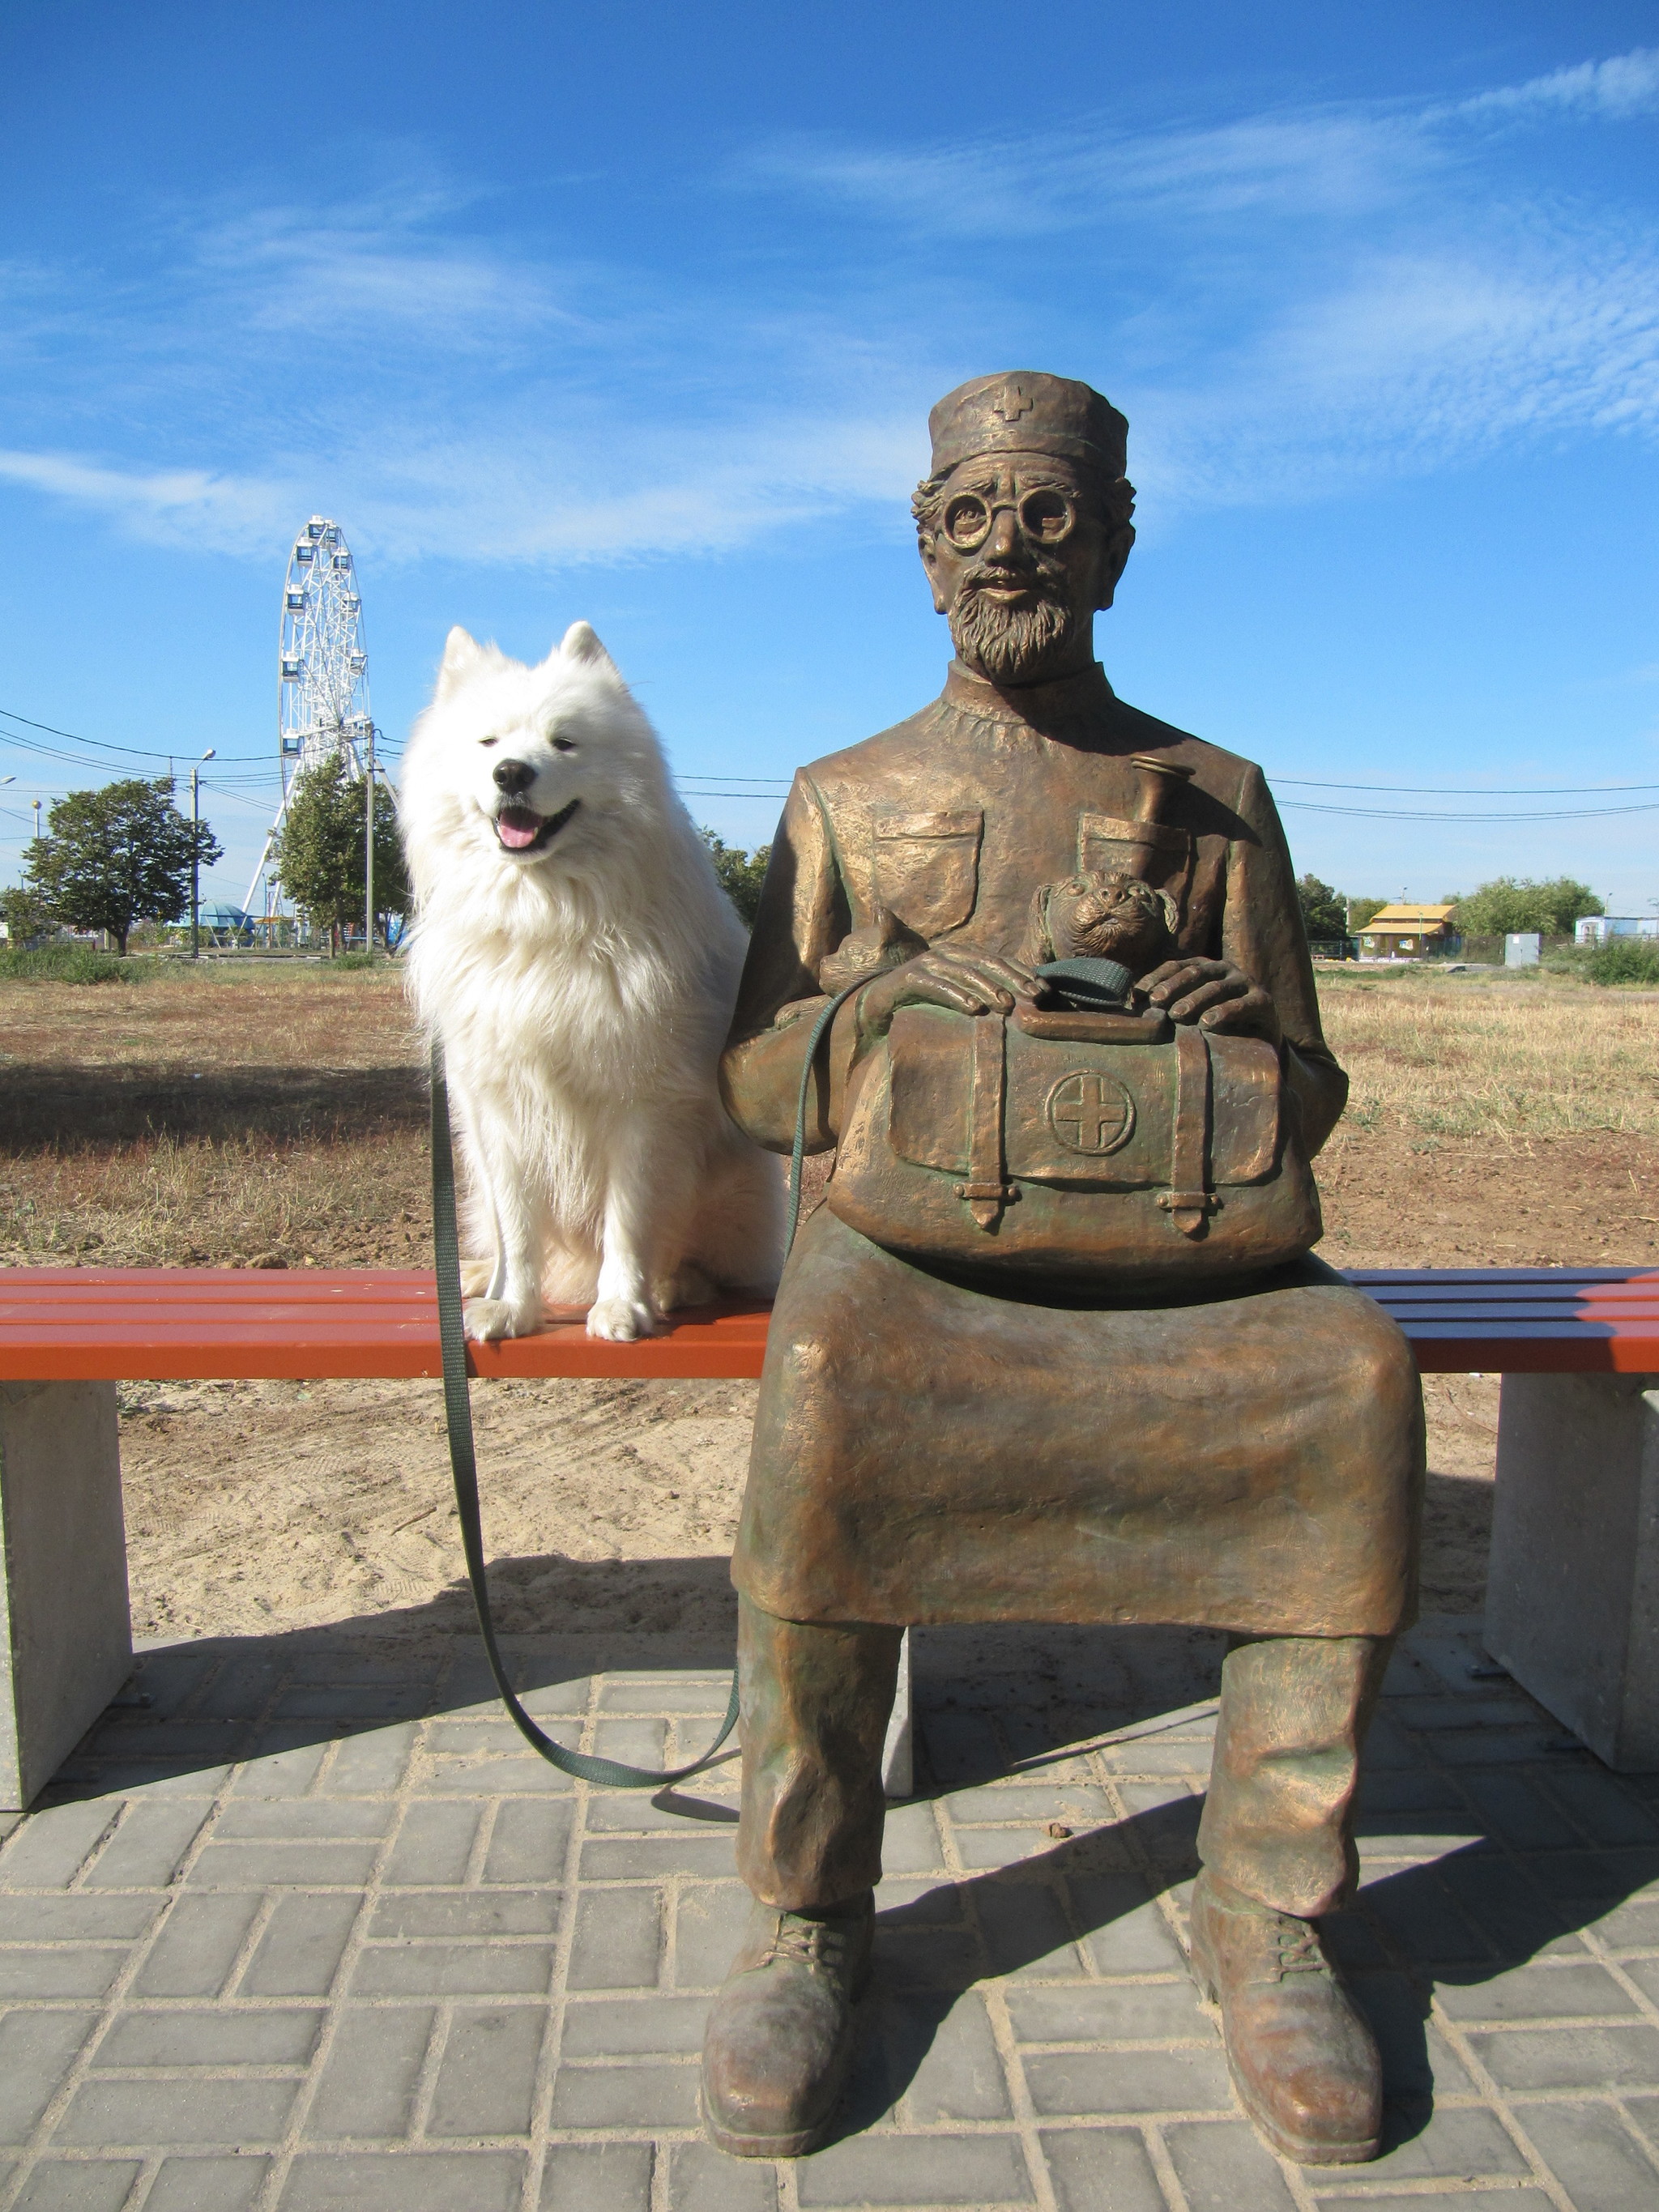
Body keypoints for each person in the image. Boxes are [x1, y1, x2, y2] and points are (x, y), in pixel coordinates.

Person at [701, 372, 1423, 2167]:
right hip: (912, 1247)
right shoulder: (844, 794)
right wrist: (876, 1000)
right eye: (972, 517)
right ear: (922, 548)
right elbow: (750, 1073)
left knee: (1349, 1378)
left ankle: (1266, 1911)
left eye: (1049, 515)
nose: (1010, 549)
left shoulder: (1218, 794)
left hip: (1185, 1250)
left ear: (1112, 542)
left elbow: (1311, 1092)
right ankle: (811, 1912)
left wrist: (1230, 1014)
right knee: (825, 1382)